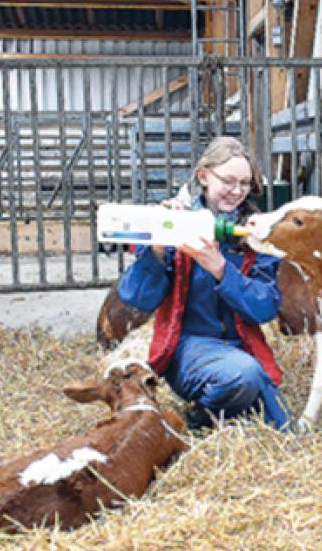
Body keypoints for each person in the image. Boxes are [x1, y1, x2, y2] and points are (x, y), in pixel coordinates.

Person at [117, 136, 290, 432]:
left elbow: (265, 308)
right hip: (189, 346)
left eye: (245, 183)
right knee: (245, 375)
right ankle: (200, 417)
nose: (237, 191)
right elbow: (138, 298)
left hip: (241, 345)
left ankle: (224, 411)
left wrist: (221, 270)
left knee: (275, 416)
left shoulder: (254, 232)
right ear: (204, 176)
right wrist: (157, 247)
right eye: (228, 181)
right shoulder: (177, 221)